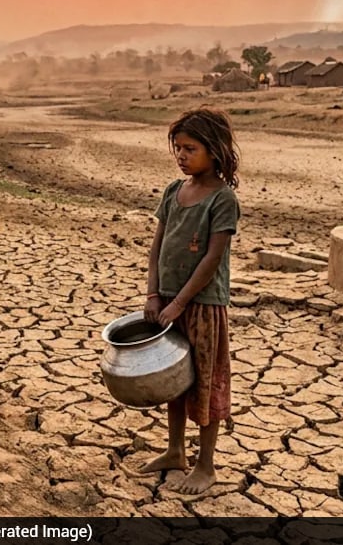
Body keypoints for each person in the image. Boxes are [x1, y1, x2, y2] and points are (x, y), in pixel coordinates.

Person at [137, 107, 240, 495]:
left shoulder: (222, 200)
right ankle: (175, 450)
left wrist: (180, 302)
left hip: (202, 306)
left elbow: (212, 259)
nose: (181, 156)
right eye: (177, 148)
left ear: (214, 150)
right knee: (173, 380)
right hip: (166, 303)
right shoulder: (172, 192)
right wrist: (153, 292)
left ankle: (206, 465)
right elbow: (157, 247)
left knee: (204, 382)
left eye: (190, 148)